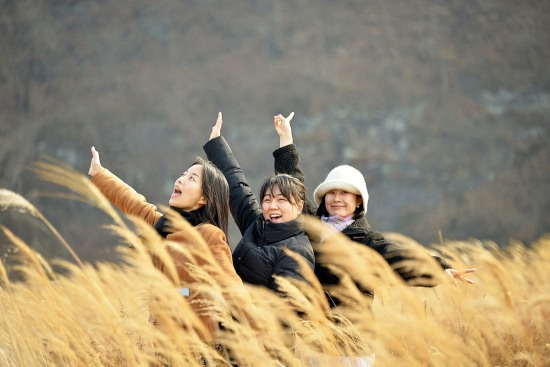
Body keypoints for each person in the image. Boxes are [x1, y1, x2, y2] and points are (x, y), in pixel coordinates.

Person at [271, 113, 476, 306]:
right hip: (307, 329)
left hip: (349, 334)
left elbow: (400, 258)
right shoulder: (310, 223)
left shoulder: (366, 241)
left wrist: (440, 269)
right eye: (331, 193)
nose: (336, 199)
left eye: (345, 194)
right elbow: (292, 183)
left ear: (358, 201)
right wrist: (286, 138)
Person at [88, 146, 241, 340]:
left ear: (204, 198)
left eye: (191, 178)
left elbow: (232, 289)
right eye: (184, 175)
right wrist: (100, 174)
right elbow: (135, 204)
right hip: (162, 344)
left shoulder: (209, 235)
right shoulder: (164, 227)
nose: (180, 179)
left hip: (197, 348)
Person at [203, 113, 315, 292]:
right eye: (268, 199)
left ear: (299, 206)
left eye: (281, 200)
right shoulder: (257, 226)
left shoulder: (297, 251)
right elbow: (238, 189)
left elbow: (285, 311)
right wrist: (216, 145)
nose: (273, 206)